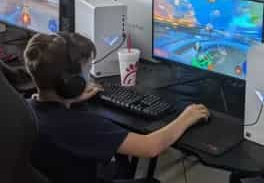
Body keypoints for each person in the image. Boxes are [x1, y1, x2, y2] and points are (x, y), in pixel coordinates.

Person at [25, 32, 210, 183]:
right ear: (71, 83)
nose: (89, 76)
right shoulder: (79, 124)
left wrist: (72, 99)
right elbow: (150, 147)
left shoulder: (25, 108)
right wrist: (187, 117)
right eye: (87, 69)